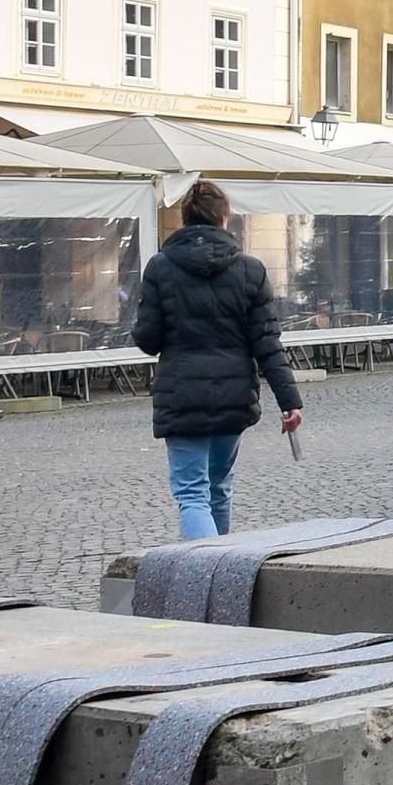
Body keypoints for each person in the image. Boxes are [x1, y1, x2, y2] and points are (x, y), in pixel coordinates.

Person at [132, 180, 301, 541]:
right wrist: (290, 401)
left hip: (181, 395)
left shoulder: (160, 268)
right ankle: (220, 564)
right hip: (233, 394)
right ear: (224, 218)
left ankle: (203, 566)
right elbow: (267, 344)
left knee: (192, 494)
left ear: (185, 219)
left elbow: (147, 340)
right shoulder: (251, 270)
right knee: (219, 488)